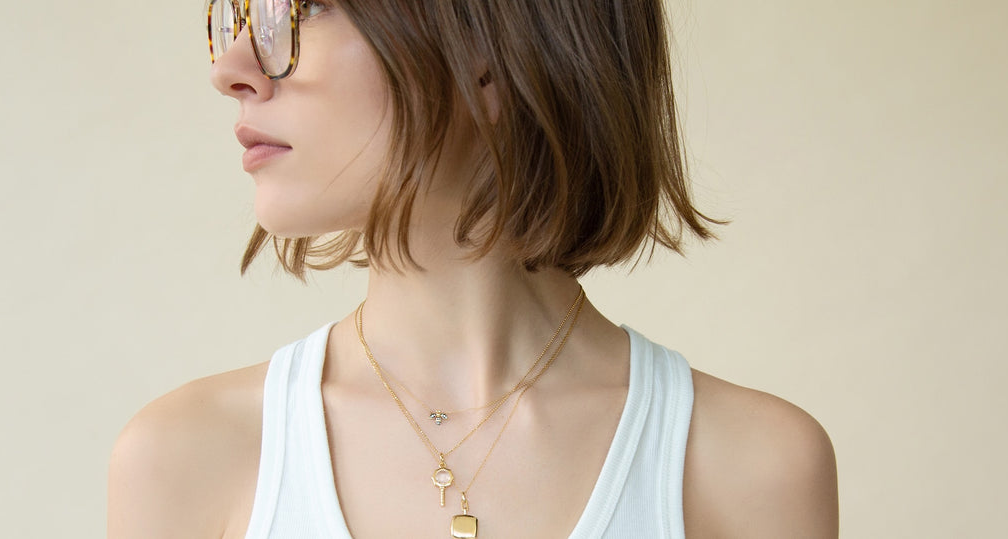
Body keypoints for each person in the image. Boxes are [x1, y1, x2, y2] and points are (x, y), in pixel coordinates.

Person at [107, 1, 839, 538]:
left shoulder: (752, 470)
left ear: (488, 47)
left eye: (305, 8)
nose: (230, 68)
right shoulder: (184, 460)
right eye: (235, 12)